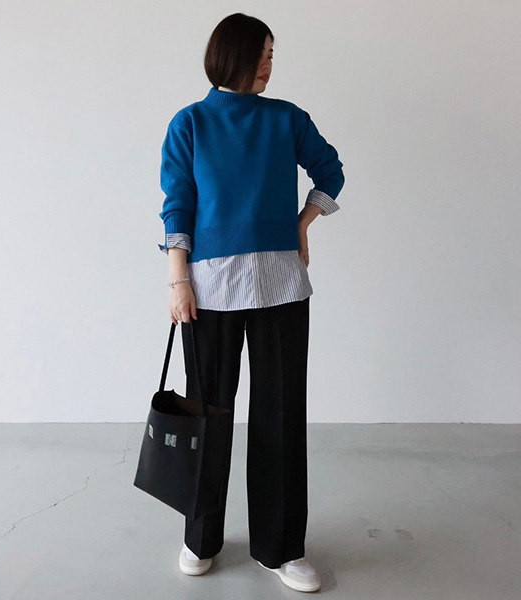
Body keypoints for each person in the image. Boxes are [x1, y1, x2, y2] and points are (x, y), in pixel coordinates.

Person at [157, 13, 344, 593]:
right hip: (208, 290)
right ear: (233, 55)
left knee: (280, 416)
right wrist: (177, 279)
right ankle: (200, 537)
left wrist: (302, 222)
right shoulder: (189, 123)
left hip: (281, 287)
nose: (269, 64)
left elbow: (331, 170)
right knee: (207, 415)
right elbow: (177, 203)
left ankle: (282, 547)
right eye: (262, 54)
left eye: (272, 55)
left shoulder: (287, 119)